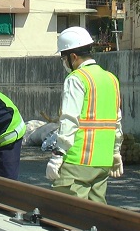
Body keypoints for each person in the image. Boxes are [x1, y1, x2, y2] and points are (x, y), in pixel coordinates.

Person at [45, 26, 123, 203]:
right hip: (102, 162)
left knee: (68, 215)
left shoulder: (76, 78)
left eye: (64, 58)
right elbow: (116, 121)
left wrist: (58, 155)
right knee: (96, 216)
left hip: (77, 161)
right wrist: (116, 151)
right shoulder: (111, 78)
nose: (64, 63)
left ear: (73, 56)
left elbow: (69, 120)